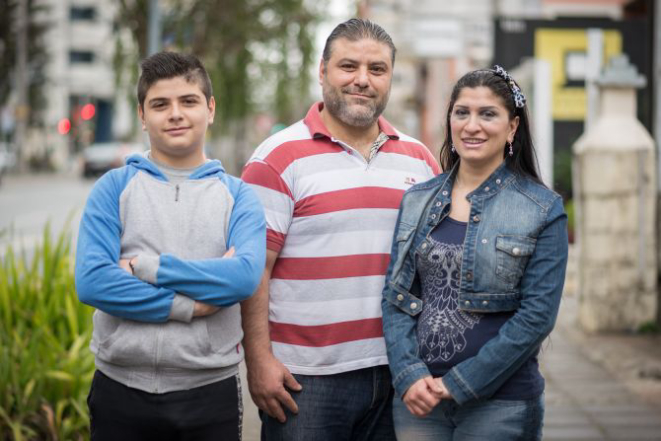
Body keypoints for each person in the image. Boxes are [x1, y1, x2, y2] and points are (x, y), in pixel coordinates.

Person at [241, 18, 440, 441]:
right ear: (322, 71)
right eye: (348, 67)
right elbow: (254, 268)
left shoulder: (420, 160)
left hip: (399, 372)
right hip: (305, 381)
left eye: (377, 70)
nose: (362, 81)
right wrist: (258, 360)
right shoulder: (275, 159)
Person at [75, 51, 266, 441]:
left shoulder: (239, 196)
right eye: (160, 104)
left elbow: (243, 278)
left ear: (210, 109)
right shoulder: (112, 188)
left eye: (189, 101)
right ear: (143, 116)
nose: (175, 113)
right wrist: (187, 306)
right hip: (119, 388)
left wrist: (145, 267)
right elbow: (94, 282)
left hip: (209, 392)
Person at [381, 66, 569, 440]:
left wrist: (460, 383)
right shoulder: (417, 201)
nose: (472, 125)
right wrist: (408, 374)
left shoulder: (542, 209)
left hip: (501, 405)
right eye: (462, 112)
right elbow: (396, 298)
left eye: (488, 114)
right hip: (419, 402)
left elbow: (537, 317)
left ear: (512, 127)